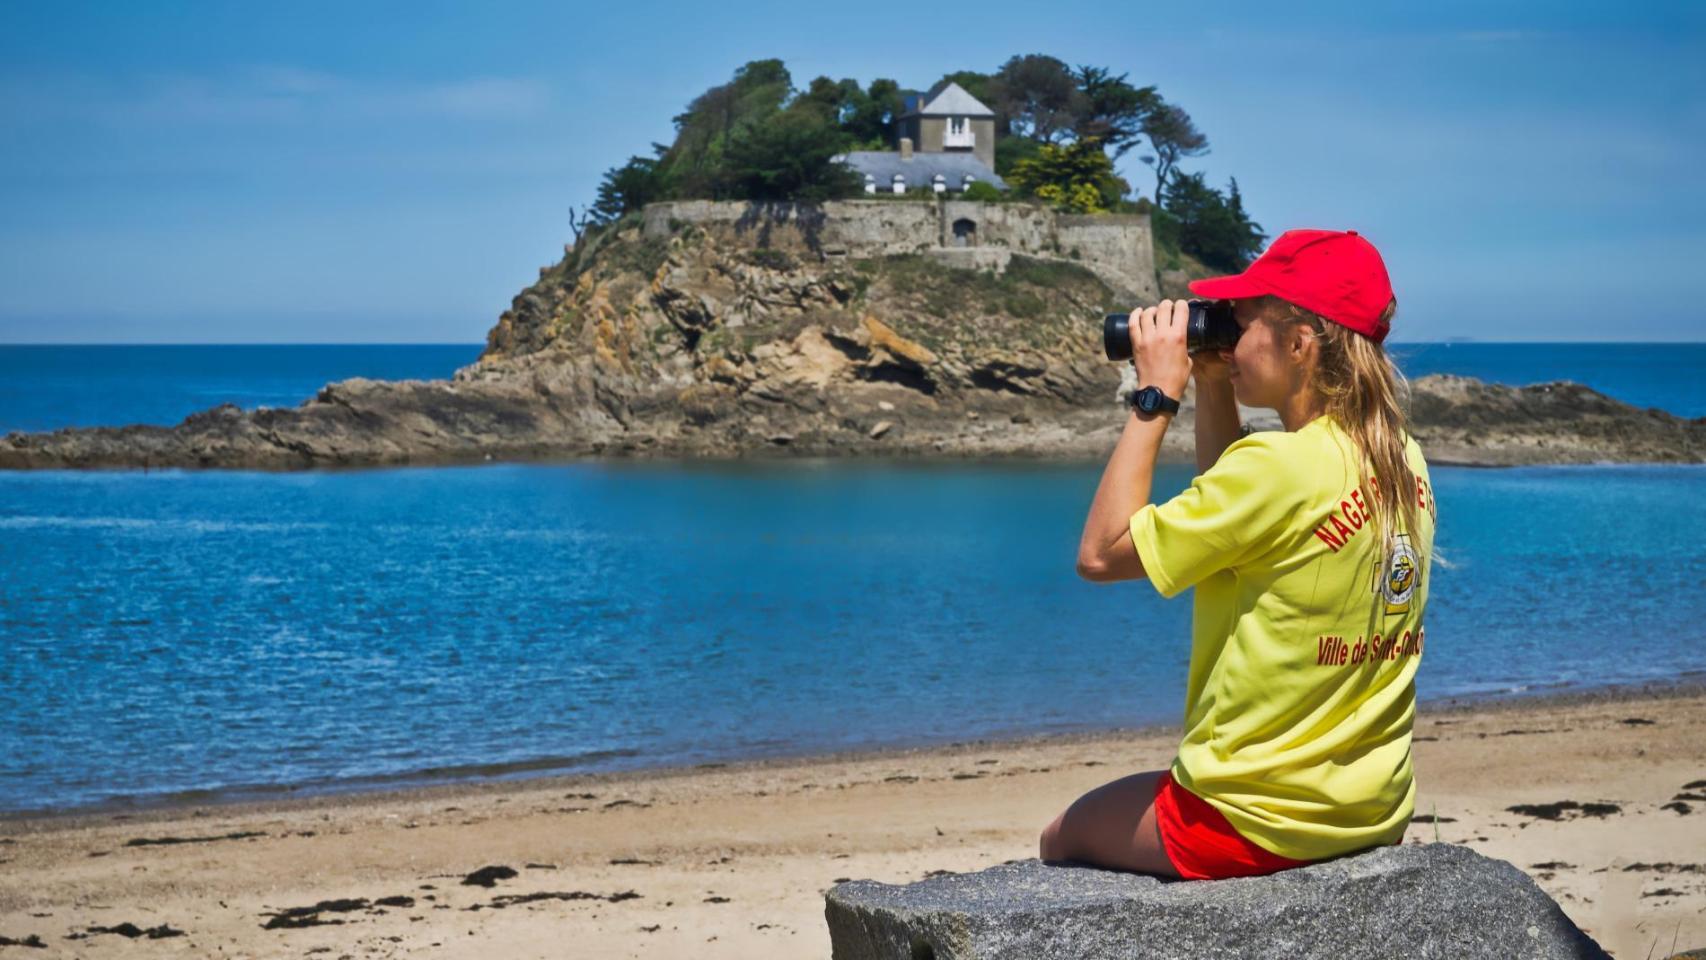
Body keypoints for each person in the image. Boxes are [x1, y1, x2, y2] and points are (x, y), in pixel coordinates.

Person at [1037, 229, 1438, 881]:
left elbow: (1101, 554)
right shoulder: (1401, 459)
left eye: (1241, 320)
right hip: (1371, 812)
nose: (1228, 332)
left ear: (1299, 344)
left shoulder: (1275, 467)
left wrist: (1155, 397)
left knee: (1062, 836)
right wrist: (1214, 381)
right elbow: (1236, 525)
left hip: (1250, 824)